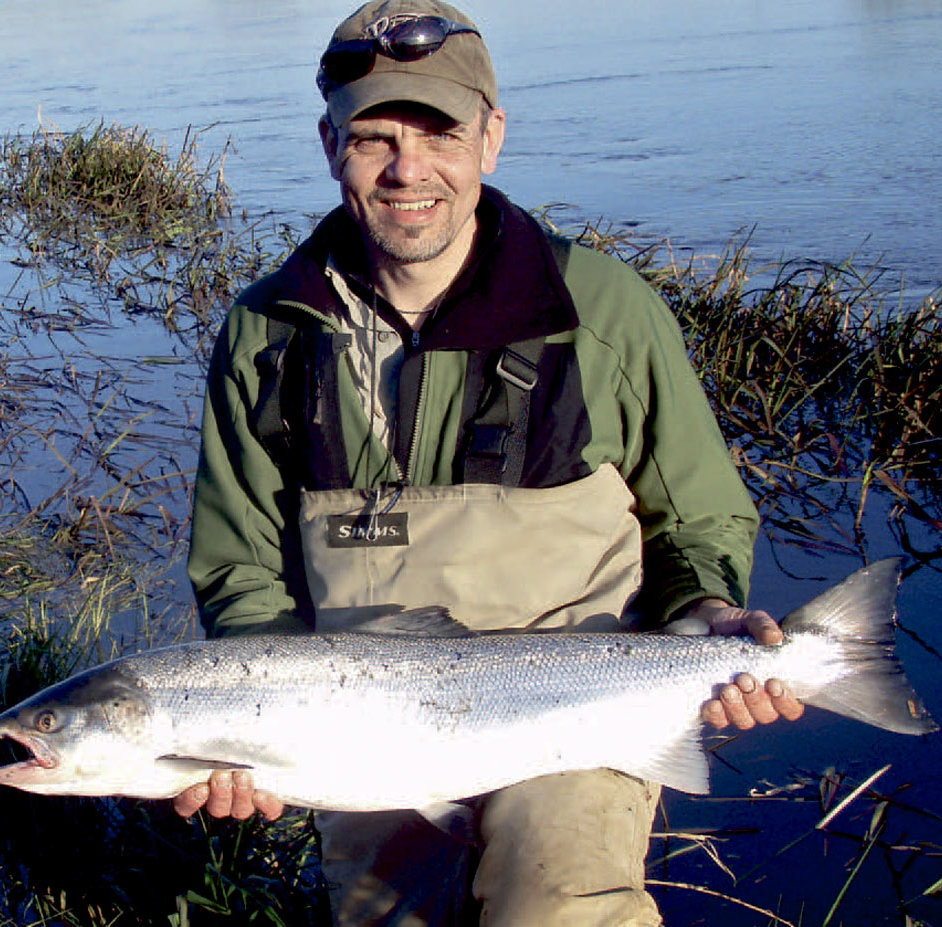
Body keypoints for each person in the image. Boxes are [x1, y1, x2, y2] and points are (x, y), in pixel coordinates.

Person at [176, 1, 803, 923]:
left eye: (440, 133)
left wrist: (709, 612)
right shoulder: (266, 332)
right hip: (359, 726)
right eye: (373, 137)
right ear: (328, 143)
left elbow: (700, 517)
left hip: (580, 708)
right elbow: (240, 570)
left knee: (553, 899)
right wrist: (247, 735)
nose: (407, 170)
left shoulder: (602, 308)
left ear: (492, 138)